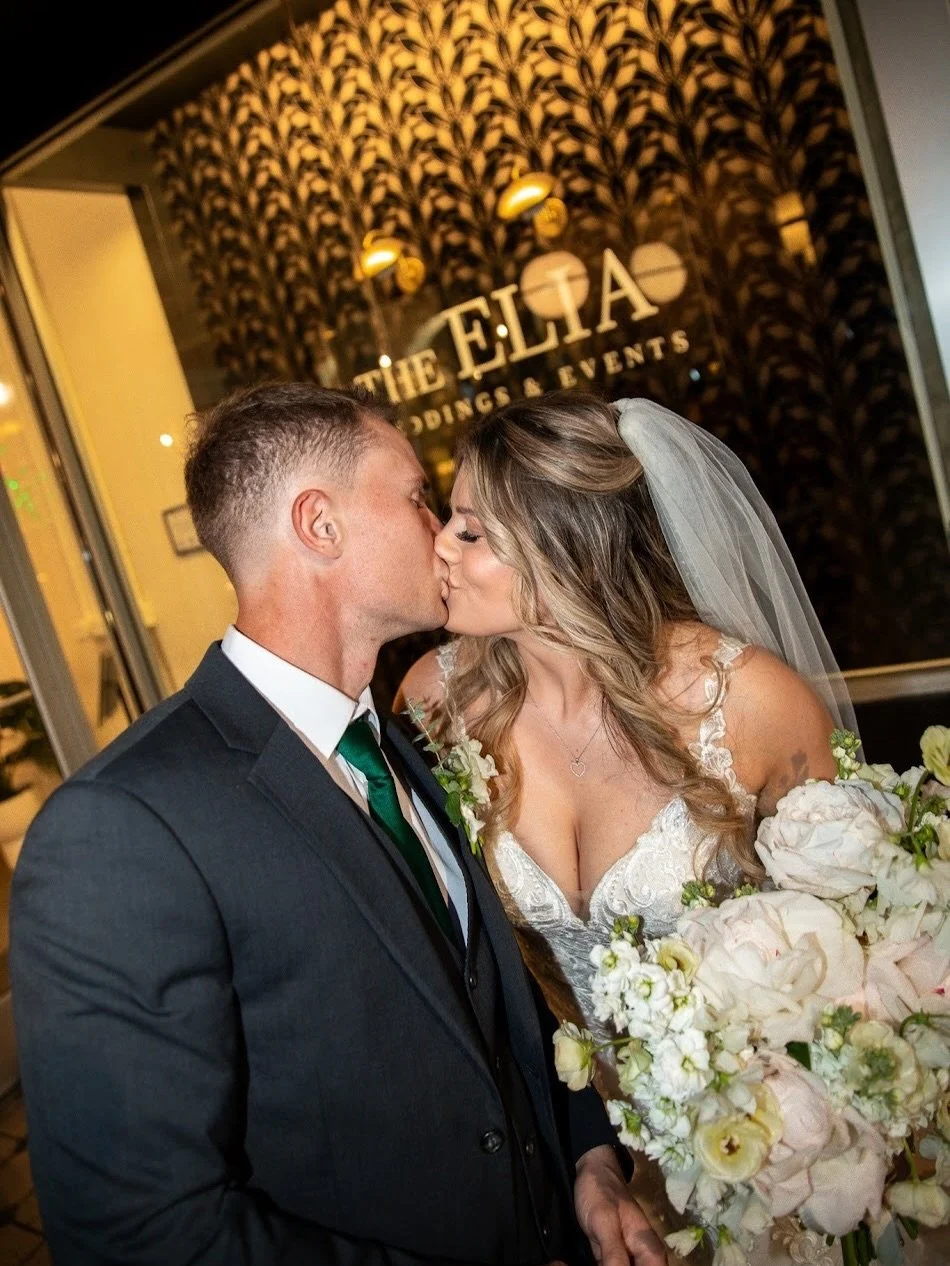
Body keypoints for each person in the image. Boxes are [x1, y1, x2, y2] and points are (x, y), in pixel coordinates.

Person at [10, 383, 667, 1266]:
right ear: (320, 526)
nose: (441, 532)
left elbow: (488, 1005)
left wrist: (588, 1158)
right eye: (414, 497)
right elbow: (142, 1234)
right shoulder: (122, 829)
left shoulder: (407, 736)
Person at [397, 392, 860, 1265]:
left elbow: (852, 966)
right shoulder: (433, 701)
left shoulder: (754, 704)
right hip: (575, 1164)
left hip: (768, 1148)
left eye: (470, 531)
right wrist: (588, 1156)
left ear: (565, 548)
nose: (439, 549)